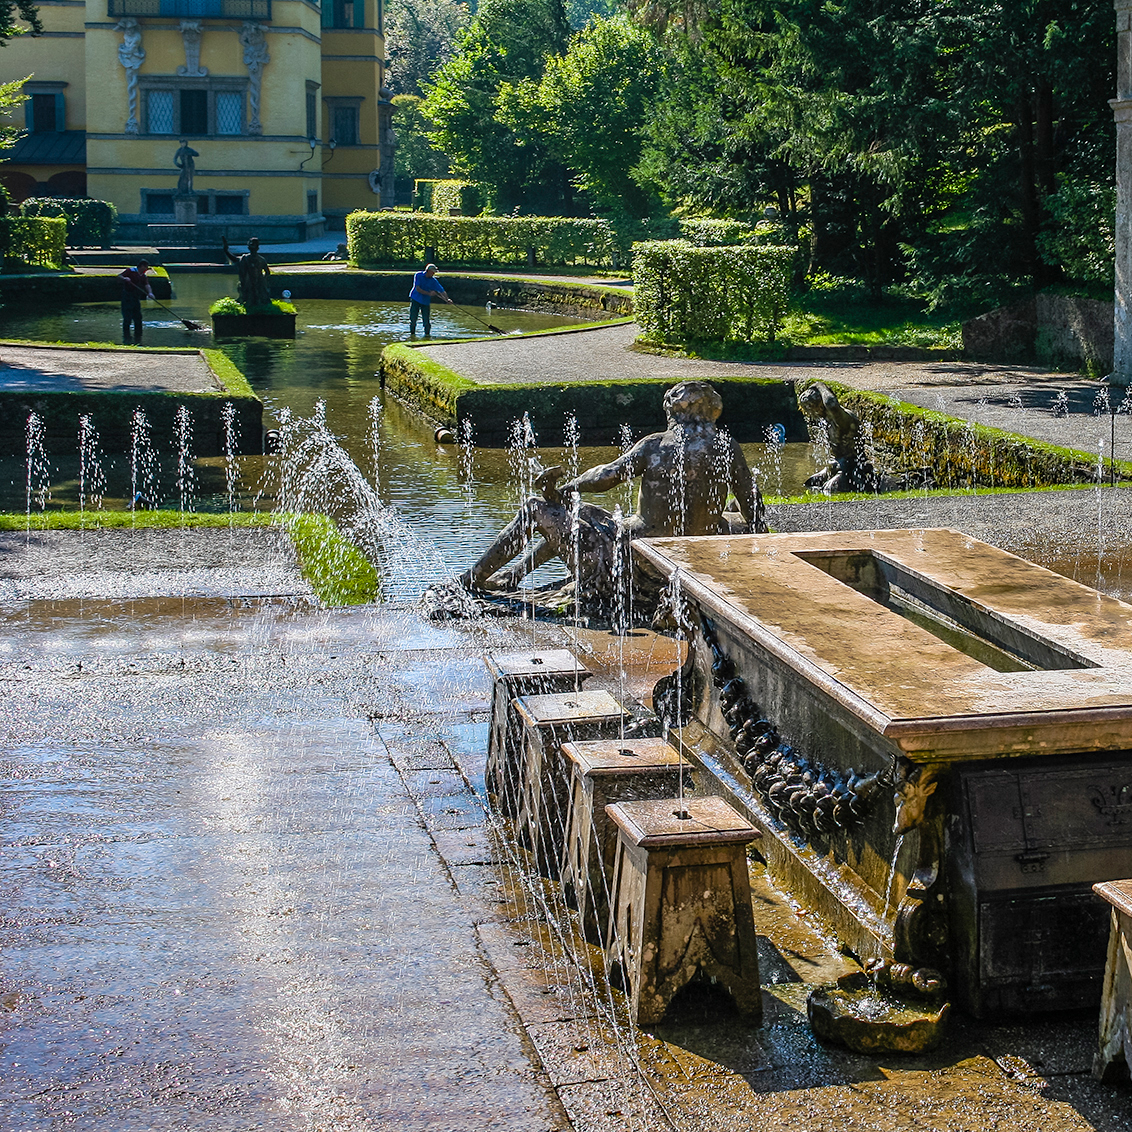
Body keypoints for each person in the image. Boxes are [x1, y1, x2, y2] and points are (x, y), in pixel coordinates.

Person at [458, 381, 765, 612]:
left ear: (673, 411)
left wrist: (567, 488)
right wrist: (756, 546)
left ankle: (473, 579)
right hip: (693, 562)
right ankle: (514, 575)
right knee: (586, 514)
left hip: (638, 563)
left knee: (537, 509)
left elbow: (605, 477)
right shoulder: (727, 445)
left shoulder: (657, 444)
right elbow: (750, 498)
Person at [222, 236, 272, 308]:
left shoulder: (257, 260)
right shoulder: (247, 259)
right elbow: (267, 273)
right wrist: (226, 250)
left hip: (256, 286)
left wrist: (261, 281)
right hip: (249, 286)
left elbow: (267, 273)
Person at [409, 263, 452, 337]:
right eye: (433, 272)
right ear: (428, 271)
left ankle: (427, 335)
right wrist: (429, 293)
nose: (433, 274)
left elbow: (442, 291)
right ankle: (412, 335)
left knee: (426, 321)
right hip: (415, 299)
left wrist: (447, 299)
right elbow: (418, 289)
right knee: (413, 319)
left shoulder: (433, 281)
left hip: (425, 302)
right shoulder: (418, 275)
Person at [118, 259, 154, 344]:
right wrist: (125, 278)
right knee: (127, 317)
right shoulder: (130, 271)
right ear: (142, 266)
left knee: (138, 317)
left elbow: (146, 284)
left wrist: (150, 293)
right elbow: (119, 276)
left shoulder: (143, 276)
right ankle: (126, 337)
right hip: (127, 296)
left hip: (136, 297)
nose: (146, 269)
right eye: (146, 267)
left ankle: (138, 337)